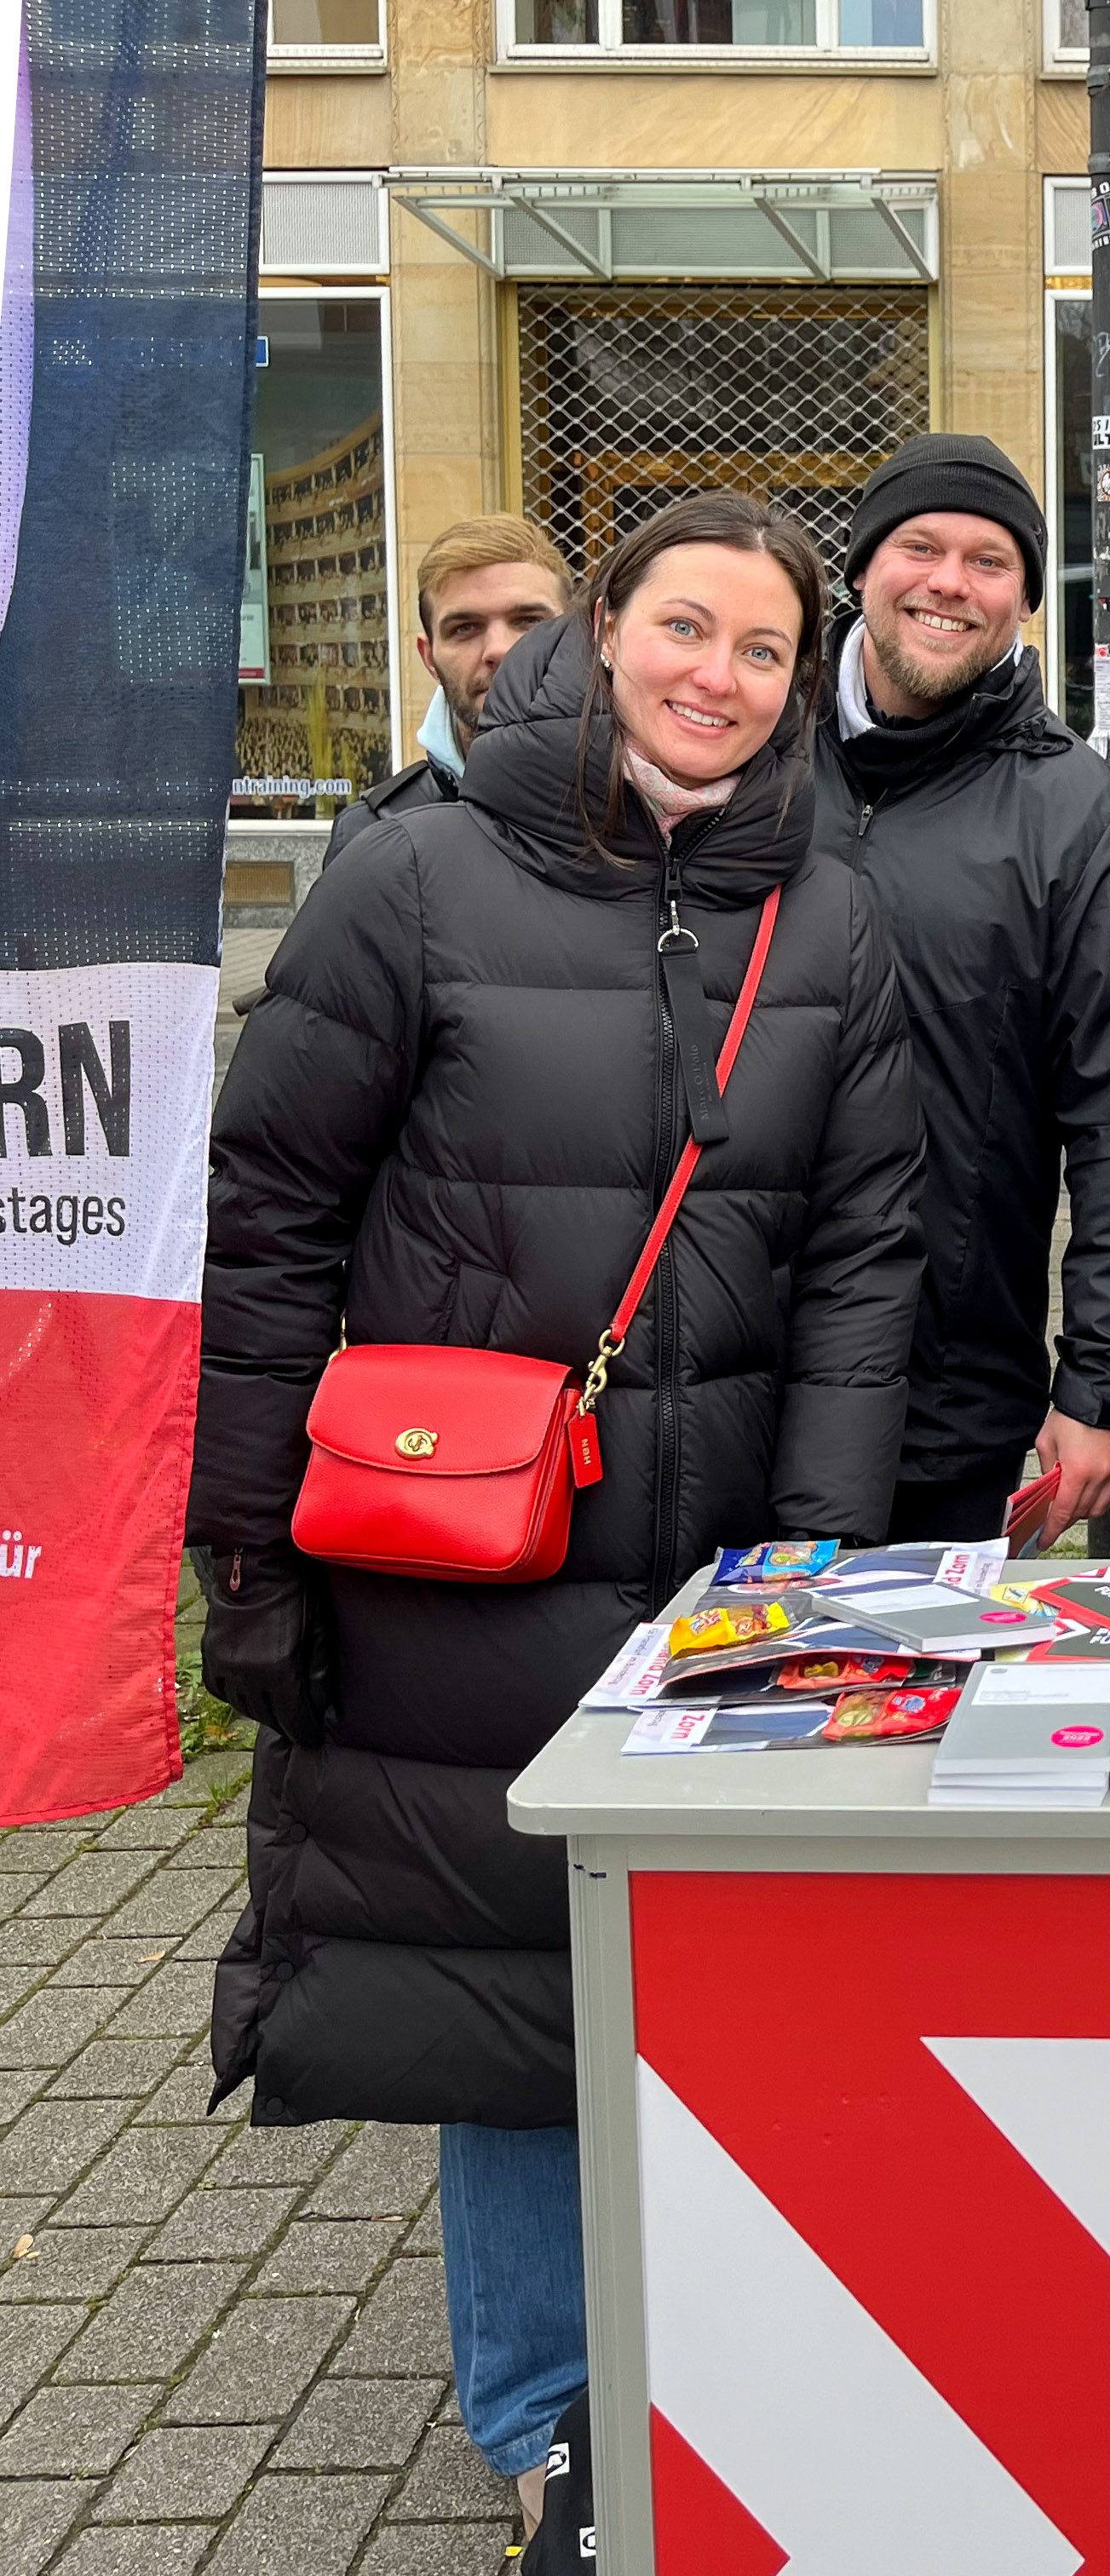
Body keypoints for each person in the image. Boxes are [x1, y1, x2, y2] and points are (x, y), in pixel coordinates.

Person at [193, 492, 924, 2536]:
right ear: (604, 632)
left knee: (727, 1978)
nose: (716, 677)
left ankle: (723, 2364)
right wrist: (246, 1545)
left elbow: (870, 1255)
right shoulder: (414, 878)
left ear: (804, 679)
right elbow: (271, 1224)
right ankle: (548, 2435)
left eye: (762, 650)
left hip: (725, 1560)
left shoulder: (832, 911)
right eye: (684, 628)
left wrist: (822, 1544)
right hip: (466, 1554)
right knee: (513, 1994)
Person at [813, 434, 1110, 1544]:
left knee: (918, 1709)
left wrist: (1101, 1388)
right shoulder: (744, 757)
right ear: (863, 569)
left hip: (948, 1386)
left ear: (1024, 599)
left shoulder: (1071, 808)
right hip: (722, 1373)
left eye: (989, 562)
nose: (949, 583)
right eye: (920, 546)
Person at [327, 514, 573, 861]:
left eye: (528, 622)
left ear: (582, 638)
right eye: (465, 628)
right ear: (429, 658)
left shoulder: (649, 815)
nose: (498, 650)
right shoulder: (372, 837)